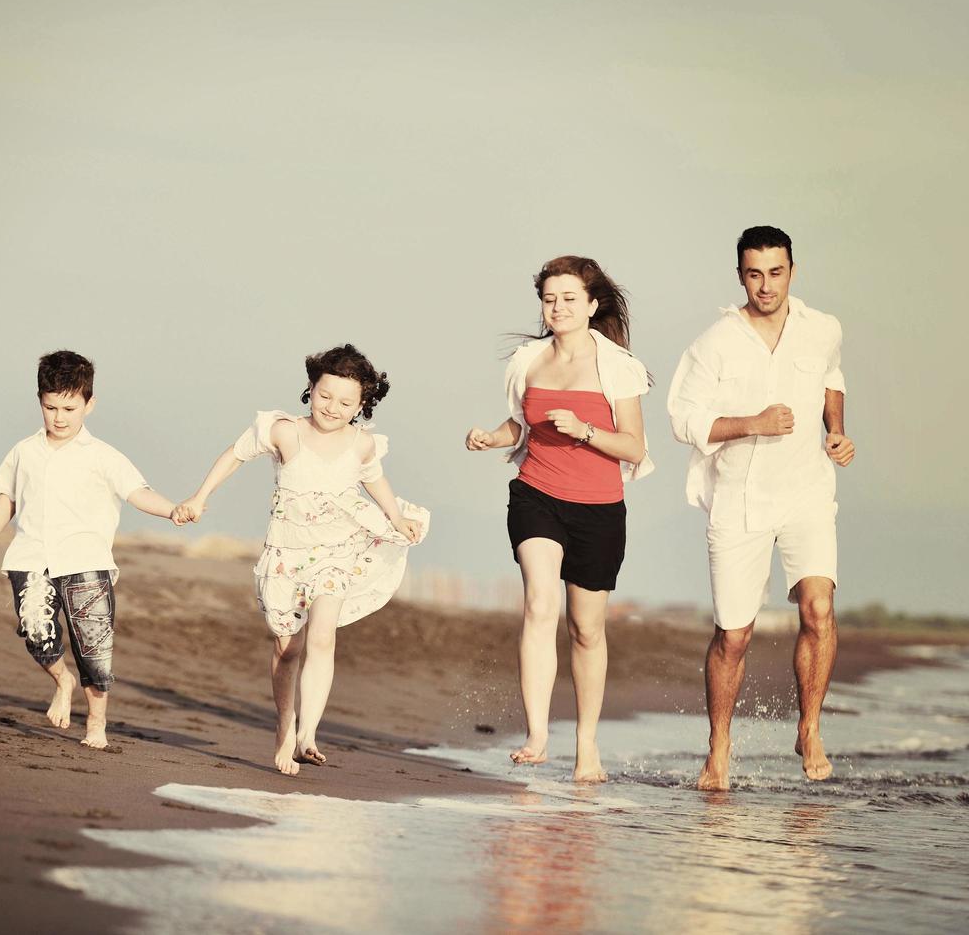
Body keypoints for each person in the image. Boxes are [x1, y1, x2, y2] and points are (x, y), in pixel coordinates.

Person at [172, 344, 427, 776]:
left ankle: (308, 732)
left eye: (347, 402)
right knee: (287, 648)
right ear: (311, 388)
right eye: (325, 396)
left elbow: (375, 481)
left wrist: (397, 517)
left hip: (336, 552)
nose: (333, 408)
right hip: (286, 555)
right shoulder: (284, 430)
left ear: (362, 404)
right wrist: (199, 497)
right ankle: (285, 726)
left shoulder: (362, 445)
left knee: (323, 635)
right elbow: (234, 454)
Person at [667, 225, 856, 790]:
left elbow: (831, 377)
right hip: (739, 498)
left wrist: (837, 431)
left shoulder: (823, 329)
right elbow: (685, 421)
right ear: (740, 275)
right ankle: (719, 748)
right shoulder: (714, 343)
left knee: (818, 609)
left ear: (792, 271)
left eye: (776, 273)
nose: (766, 285)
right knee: (734, 635)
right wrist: (752, 422)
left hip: (807, 491)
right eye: (755, 274)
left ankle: (810, 727)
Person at [465, 257, 652, 783]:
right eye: (550, 299)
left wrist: (585, 431)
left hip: (598, 508)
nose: (558, 307)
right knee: (540, 603)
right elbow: (520, 426)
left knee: (586, 630)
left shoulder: (618, 367)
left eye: (569, 298)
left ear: (592, 305)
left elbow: (635, 448)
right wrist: (491, 437)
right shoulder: (529, 360)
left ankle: (587, 746)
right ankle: (538, 734)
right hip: (537, 494)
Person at [0, 350, 180, 750]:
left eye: (69, 407)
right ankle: (62, 680)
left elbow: (138, 493)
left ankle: (96, 722)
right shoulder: (23, 452)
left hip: (87, 561)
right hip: (30, 557)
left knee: (94, 647)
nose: (59, 417)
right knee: (35, 630)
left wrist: (173, 511)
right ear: (39, 402)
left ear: (88, 404)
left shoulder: (103, 456)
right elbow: (7, 500)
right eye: (50, 407)